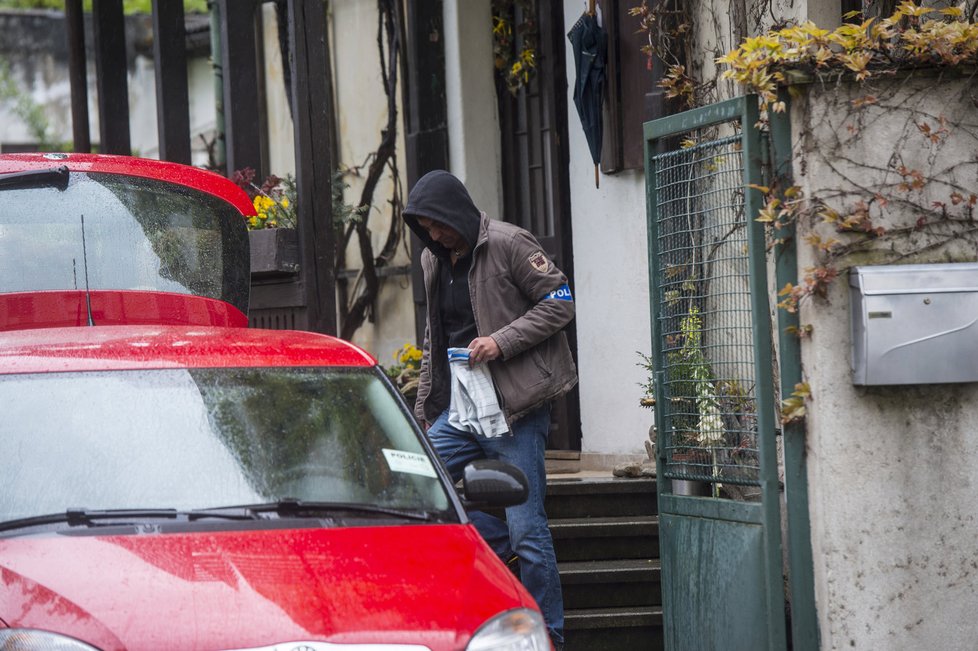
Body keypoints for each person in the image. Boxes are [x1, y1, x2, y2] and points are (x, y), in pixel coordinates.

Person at [402, 170, 577, 649]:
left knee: (528, 531)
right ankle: (492, 547)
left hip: (515, 410)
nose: (434, 235)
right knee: (411, 486)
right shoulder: (432, 259)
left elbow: (560, 301)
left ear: (454, 210)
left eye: (437, 224)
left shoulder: (509, 243)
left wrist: (500, 342)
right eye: (424, 228)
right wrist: (425, 405)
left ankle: (551, 636)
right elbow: (435, 335)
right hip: (461, 410)